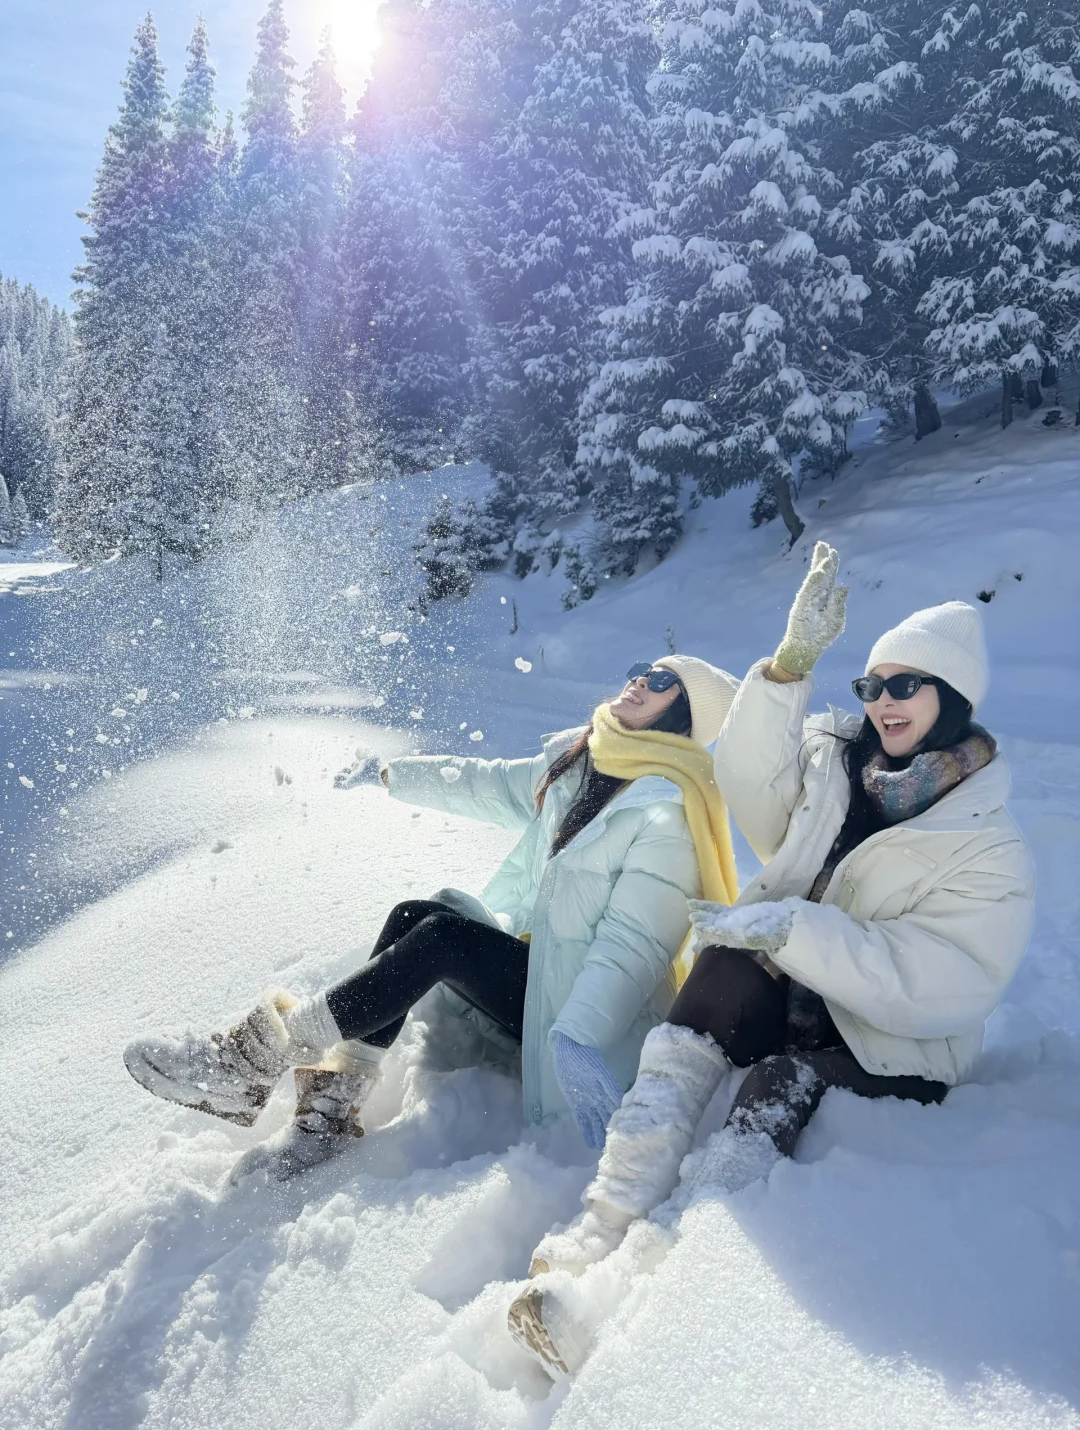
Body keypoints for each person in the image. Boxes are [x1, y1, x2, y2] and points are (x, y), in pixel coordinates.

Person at [509, 544, 1035, 1378]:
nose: (884, 702)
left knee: (777, 1085)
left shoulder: (987, 842)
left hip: (893, 1040)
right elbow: (752, 788)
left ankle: (631, 1296)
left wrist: (800, 932)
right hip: (799, 975)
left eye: (907, 684)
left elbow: (944, 984)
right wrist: (788, 672)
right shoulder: (841, 767)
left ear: (954, 696)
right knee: (717, 975)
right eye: (873, 685)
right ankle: (600, 1227)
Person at [124, 655, 741, 1178]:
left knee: (444, 938)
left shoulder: (665, 815)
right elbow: (492, 785)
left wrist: (581, 1035)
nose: (639, 682)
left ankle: (254, 1061)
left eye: (662, 684)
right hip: (541, 969)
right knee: (417, 914)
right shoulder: (588, 759)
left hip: (576, 1014)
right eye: (640, 671)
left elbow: (634, 946)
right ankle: (330, 1110)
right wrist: (398, 775)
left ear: (684, 717)